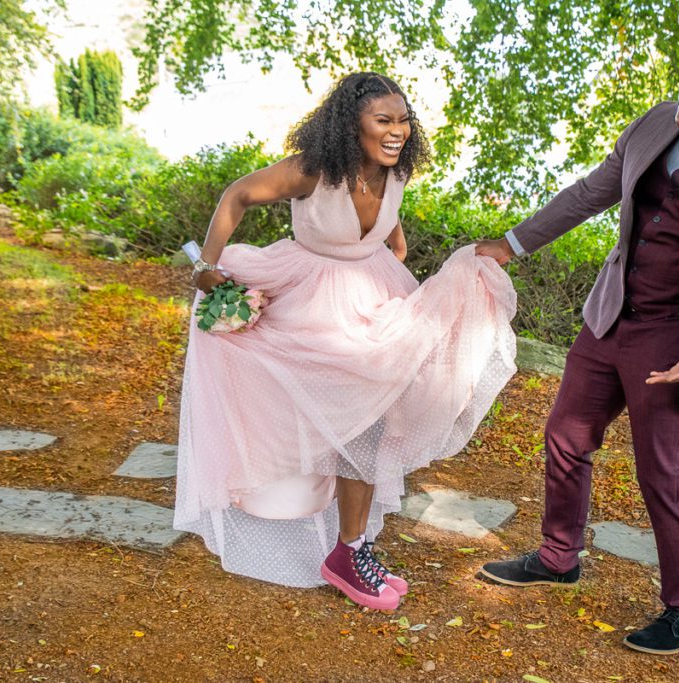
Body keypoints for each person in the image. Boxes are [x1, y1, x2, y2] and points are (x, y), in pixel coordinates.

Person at [474, 52, 679, 654]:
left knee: (662, 475)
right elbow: (589, 192)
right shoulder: (654, 125)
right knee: (566, 436)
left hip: (676, 341)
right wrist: (512, 244)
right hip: (610, 316)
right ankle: (557, 555)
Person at [174, 72, 516, 611]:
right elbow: (237, 195)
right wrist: (207, 267)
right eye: (384, 121)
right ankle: (347, 549)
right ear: (350, 124)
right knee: (345, 419)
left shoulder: (394, 172)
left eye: (404, 120)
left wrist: (376, 277)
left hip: (368, 298)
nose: (397, 130)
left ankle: (351, 546)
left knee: (373, 418)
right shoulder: (315, 171)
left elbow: (392, 240)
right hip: (307, 297)